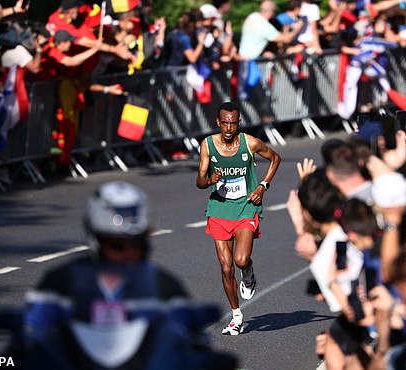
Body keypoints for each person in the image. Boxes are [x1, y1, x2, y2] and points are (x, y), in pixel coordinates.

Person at [21, 182, 237, 369]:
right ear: (96, 240)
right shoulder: (60, 282)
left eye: (137, 244)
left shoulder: (164, 285)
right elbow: (29, 334)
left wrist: (206, 355)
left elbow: (190, 337)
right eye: (117, 245)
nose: (128, 253)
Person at [196, 101, 281, 335]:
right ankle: (236, 316)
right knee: (225, 267)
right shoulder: (207, 145)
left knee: (240, 260)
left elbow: (275, 158)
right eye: (225, 123)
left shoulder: (250, 143)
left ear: (239, 123)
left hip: (245, 206)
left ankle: (249, 273)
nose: (229, 127)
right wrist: (210, 180)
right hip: (219, 209)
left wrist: (263, 186)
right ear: (218, 122)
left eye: (233, 123)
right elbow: (199, 181)